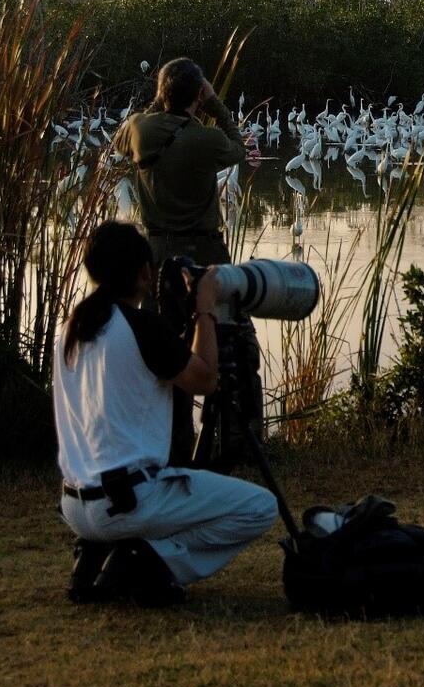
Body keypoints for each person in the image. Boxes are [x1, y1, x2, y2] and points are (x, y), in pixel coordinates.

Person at [54, 221, 277, 606]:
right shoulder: (140, 327)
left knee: (148, 496)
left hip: (76, 507)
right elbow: (206, 379)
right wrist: (205, 309)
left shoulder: (71, 328)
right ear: (144, 272)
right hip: (128, 502)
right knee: (260, 507)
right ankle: (145, 561)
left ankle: (96, 555)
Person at [114, 57, 248, 463]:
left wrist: (161, 102)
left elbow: (121, 139)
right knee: (228, 345)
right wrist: (215, 105)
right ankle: (224, 443)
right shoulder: (204, 139)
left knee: (163, 351)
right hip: (205, 257)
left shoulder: (139, 128)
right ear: (198, 95)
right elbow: (239, 147)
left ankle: (171, 447)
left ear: (161, 94)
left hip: (154, 260)